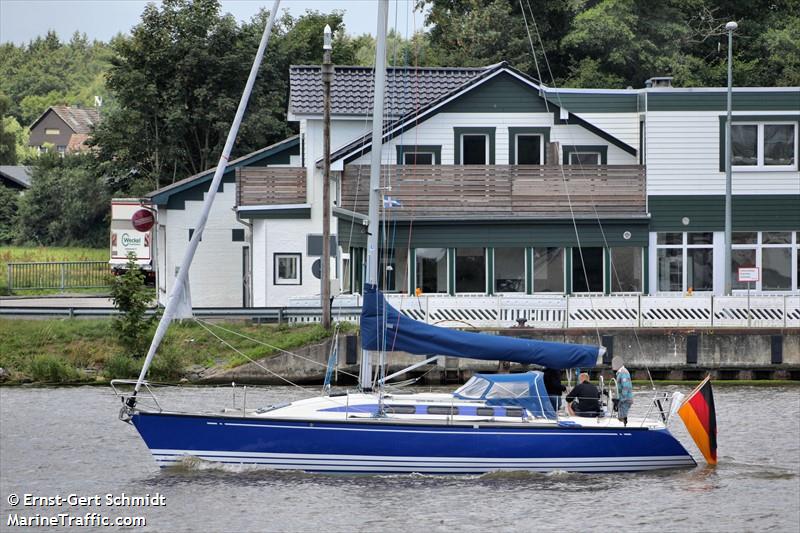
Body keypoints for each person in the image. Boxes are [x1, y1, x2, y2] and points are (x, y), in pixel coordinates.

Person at [612, 356, 633, 426]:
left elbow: (626, 386)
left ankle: (624, 429)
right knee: (621, 417)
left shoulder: (623, 372)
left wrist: (621, 399)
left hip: (625, 400)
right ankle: (624, 427)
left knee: (622, 418)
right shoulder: (620, 372)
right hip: (622, 399)